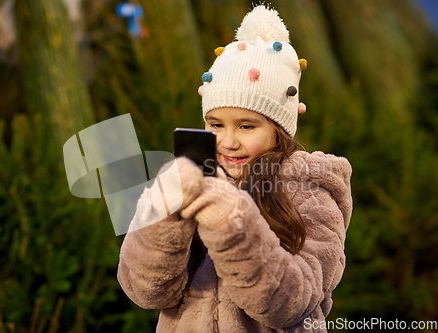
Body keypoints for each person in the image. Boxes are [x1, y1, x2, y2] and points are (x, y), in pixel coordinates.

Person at [117, 5, 353, 332]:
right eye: (215, 124)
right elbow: (148, 291)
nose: (227, 141)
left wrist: (231, 223)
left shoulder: (311, 193)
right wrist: (165, 215)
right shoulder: (192, 180)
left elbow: (291, 303)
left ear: (278, 129)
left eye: (246, 126)